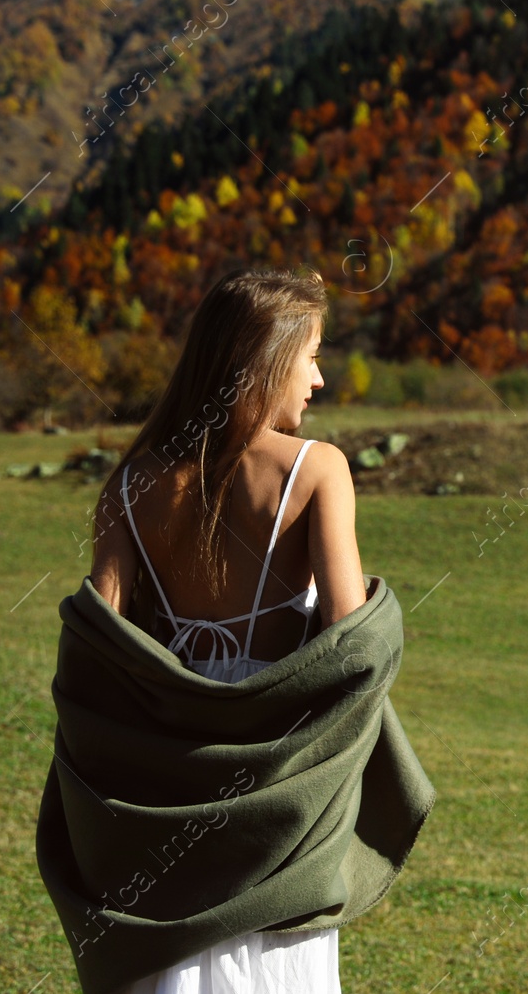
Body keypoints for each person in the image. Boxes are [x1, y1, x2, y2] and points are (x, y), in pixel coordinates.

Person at [88, 265, 367, 993]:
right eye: (311, 356)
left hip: (169, 753)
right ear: (269, 358)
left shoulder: (130, 482)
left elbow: (101, 642)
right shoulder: (317, 470)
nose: (319, 380)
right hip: (279, 758)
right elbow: (348, 637)